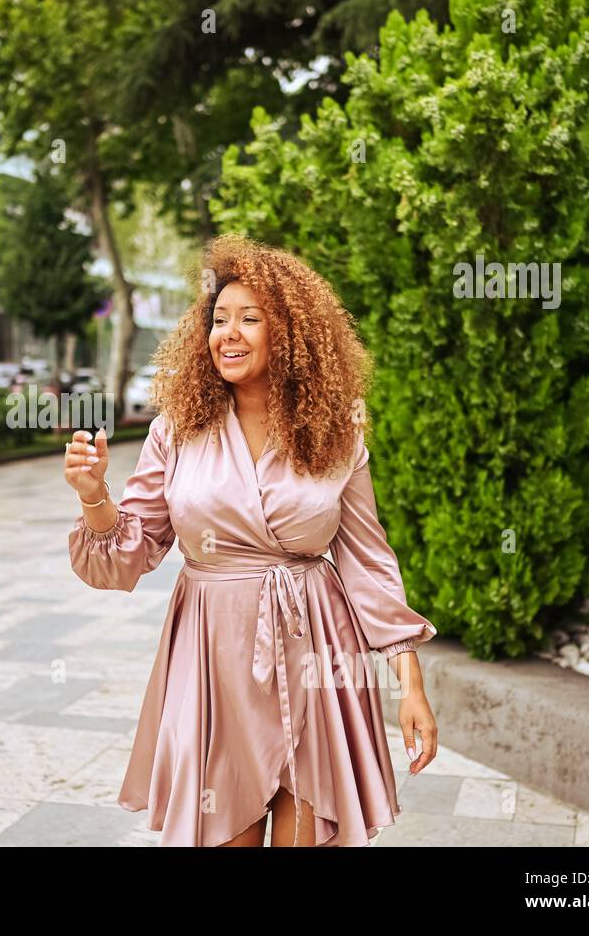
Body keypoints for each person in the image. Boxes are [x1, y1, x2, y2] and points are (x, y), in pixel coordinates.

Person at [62, 233, 439, 847]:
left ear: (289, 333)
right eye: (218, 319)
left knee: (309, 832)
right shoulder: (177, 430)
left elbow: (368, 560)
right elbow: (126, 559)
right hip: (214, 655)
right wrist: (93, 496)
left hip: (317, 648)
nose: (227, 333)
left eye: (249, 318)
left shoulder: (336, 432)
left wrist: (410, 681)